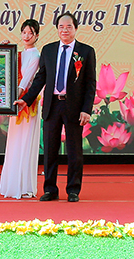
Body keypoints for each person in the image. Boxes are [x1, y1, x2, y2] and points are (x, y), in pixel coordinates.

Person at [15, 12, 96, 202]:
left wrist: (86, 109)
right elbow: (40, 78)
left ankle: (73, 190)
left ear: (75, 29)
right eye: (61, 27)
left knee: (74, 150)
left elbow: (90, 83)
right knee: (50, 149)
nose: (64, 30)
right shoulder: (49, 50)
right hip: (52, 104)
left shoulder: (86, 51)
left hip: (74, 106)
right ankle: (50, 189)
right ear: (57, 29)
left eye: (69, 27)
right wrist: (26, 99)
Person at [0, 18, 41, 199]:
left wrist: (14, 97)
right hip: (16, 102)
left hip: (27, 103)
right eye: (24, 32)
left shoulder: (35, 56)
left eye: (30, 33)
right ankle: (13, 185)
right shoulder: (18, 54)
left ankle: (25, 186)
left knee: (26, 143)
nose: (26, 36)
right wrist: (3, 51)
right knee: (15, 142)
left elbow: (25, 81)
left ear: (36, 36)